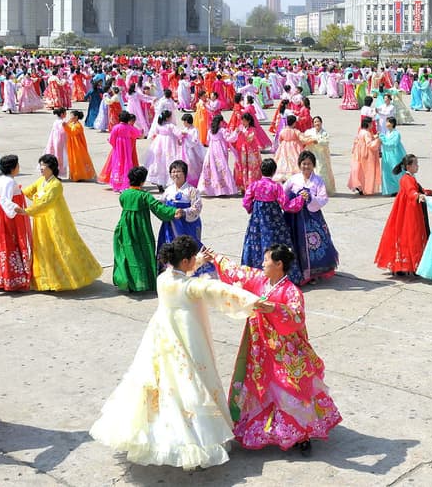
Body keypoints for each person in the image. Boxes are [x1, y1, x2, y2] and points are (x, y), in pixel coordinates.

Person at [90, 236, 262, 469]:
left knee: (160, 382)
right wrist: (253, 301)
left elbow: (185, 276)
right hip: (186, 340)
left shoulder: (163, 279)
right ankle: (196, 440)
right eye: (191, 260)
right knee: (190, 384)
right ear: (185, 260)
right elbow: (218, 290)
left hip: (161, 337)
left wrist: (198, 261)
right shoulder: (191, 287)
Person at [207, 243, 343, 454]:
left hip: (285, 351)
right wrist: (214, 257)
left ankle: (302, 434)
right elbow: (237, 271)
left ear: (279, 264)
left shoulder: (292, 291)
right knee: (263, 386)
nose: (262, 263)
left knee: (290, 388)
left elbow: (297, 317)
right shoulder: (259, 280)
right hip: (260, 347)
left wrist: (274, 308)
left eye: (267, 260)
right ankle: (272, 429)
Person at [23, 154, 103, 291]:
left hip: (55, 220)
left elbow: (46, 202)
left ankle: (70, 276)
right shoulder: (41, 180)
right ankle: (46, 280)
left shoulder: (56, 185)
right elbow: (29, 191)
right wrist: (16, 190)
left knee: (61, 246)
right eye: (41, 164)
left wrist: (26, 211)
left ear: (52, 168)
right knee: (43, 248)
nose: (41, 168)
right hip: (41, 220)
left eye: (44, 166)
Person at [112, 166, 183, 293]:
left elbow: (123, 204)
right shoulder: (144, 196)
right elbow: (158, 208)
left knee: (128, 254)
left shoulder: (124, 194)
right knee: (142, 253)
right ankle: (143, 283)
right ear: (142, 181)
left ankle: (128, 282)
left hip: (125, 228)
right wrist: (173, 212)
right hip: (141, 229)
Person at [240, 158, 307, 283]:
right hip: (274, 222)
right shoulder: (276, 186)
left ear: (261, 170)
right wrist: (300, 199)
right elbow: (286, 205)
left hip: (257, 222)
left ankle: (254, 277)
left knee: (256, 244)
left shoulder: (254, 185)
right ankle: (280, 276)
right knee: (276, 245)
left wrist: (252, 210)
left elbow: (246, 202)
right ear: (274, 171)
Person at [374, 154, 432, 275]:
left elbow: (417, 190)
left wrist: (431, 193)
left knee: (407, 235)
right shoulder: (406, 179)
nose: (417, 166)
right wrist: (418, 196)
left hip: (409, 209)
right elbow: (412, 192)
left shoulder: (410, 178)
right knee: (410, 235)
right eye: (415, 164)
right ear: (408, 166)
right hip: (408, 213)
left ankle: (406, 265)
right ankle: (406, 265)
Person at [284, 151, 338, 283]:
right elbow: (283, 192)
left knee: (314, 243)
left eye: (309, 164)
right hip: (295, 217)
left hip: (312, 216)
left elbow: (323, 198)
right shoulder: (294, 179)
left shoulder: (318, 180)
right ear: (299, 164)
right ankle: (299, 272)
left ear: (313, 165)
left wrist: (310, 198)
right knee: (296, 242)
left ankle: (313, 273)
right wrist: (294, 198)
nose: (306, 166)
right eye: (303, 163)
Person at [0, 154, 33, 291]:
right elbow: (4, 200)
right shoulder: (9, 182)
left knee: (0, 242)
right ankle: (11, 278)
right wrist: (17, 209)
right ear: (13, 168)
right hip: (8, 217)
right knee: (10, 241)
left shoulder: (0, 180)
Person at [157, 160, 206, 265]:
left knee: (188, 248)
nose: (175, 174)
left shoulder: (192, 190)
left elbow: (197, 208)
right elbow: (161, 204)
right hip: (170, 225)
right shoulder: (168, 190)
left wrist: (183, 212)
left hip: (187, 225)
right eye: (173, 172)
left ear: (185, 173)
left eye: (178, 171)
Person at [96, 112, 141, 192]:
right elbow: (137, 134)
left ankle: (117, 184)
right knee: (126, 163)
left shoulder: (116, 127)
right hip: (127, 147)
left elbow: (112, 138)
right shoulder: (129, 127)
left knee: (117, 163)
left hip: (118, 147)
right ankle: (125, 184)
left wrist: (115, 146)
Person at [198, 115, 238, 197]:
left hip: (211, 151)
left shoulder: (210, 131)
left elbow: (208, 141)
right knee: (222, 168)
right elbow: (229, 138)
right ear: (220, 122)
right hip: (220, 151)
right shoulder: (222, 130)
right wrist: (235, 132)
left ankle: (211, 188)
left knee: (211, 168)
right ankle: (223, 189)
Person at [299, 116, 335, 194]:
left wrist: (317, 141)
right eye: (315, 122)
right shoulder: (309, 132)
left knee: (321, 171)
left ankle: (321, 189)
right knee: (311, 171)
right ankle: (312, 188)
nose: (317, 123)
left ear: (321, 123)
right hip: (311, 154)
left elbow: (326, 142)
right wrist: (310, 140)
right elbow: (303, 139)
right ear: (313, 124)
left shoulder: (324, 133)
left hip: (321, 155)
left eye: (318, 121)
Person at [348, 117, 382, 195]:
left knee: (360, 171)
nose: (372, 125)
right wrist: (378, 141)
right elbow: (370, 144)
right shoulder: (366, 133)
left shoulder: (361, 131)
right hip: (366, 154)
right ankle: (365, 188)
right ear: (368, 124)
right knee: (367, 171)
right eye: (371, 124)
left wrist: (375, 137)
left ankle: (360, 186)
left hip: (359, 153)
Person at [379, 117, 407, 196]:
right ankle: (393, 189)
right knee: (388, 172)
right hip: (387, 155)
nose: (386, 124)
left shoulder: (396, 133)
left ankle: (400, 189)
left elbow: (393, 144)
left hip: (395, 155)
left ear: (392, 123)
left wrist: (383, 139)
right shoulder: (387, 133)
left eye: (387, 122)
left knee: (397, 171)